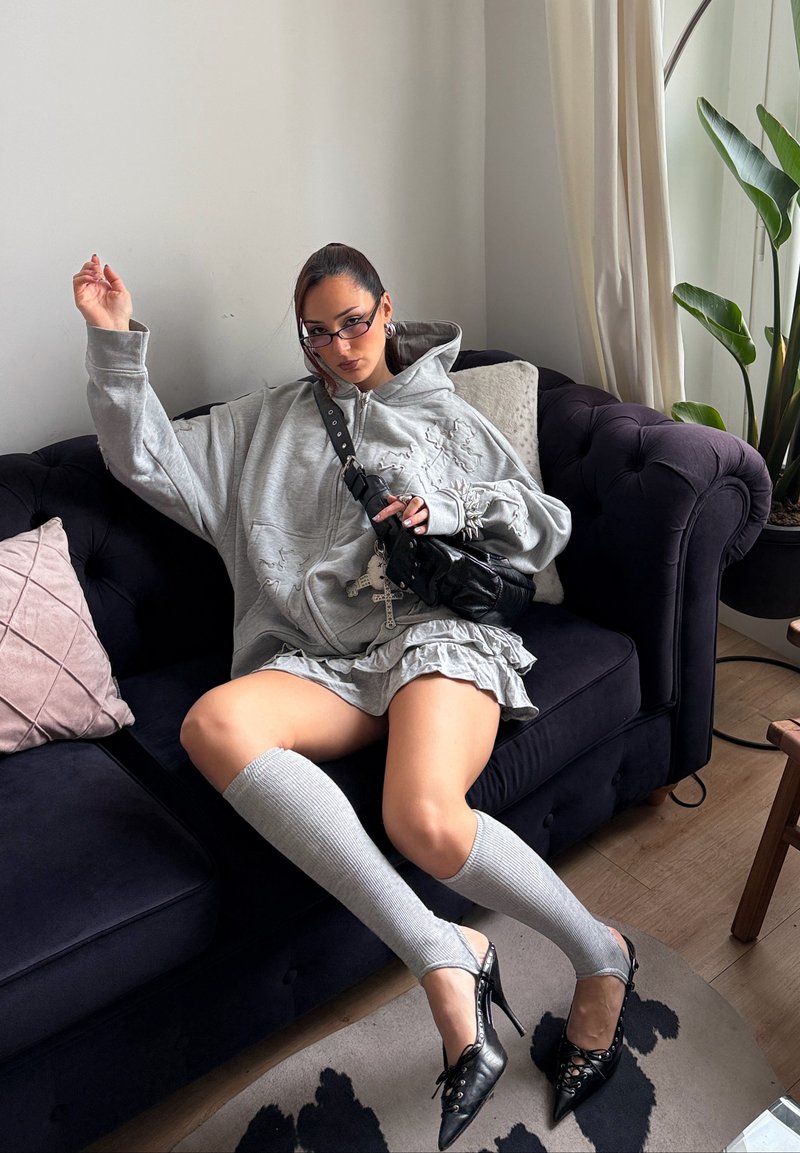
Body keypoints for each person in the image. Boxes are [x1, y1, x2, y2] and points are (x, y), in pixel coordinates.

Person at [73, 243, 637, 1149]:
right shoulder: (261, 424)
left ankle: (600, 953)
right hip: (322, 656)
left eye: (355, 323)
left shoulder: (447, 410)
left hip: (434, 633)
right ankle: (445, 950)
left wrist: (447, 508)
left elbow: (544, 522)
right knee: (215, 721)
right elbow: (147, 458)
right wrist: (111, 340)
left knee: (423, 816)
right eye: (318, 332)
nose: (340, 347)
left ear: (387, 309)